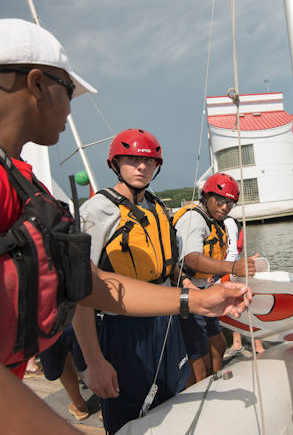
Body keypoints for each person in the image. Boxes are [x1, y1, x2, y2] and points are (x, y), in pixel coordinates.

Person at [0, 18, 250, 435]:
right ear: (37, 83)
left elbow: (90, 285)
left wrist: (198, 301)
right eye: (68, 91)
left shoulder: (23, 183)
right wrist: (94, 359)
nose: (71, 108)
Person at [72, 129, 190, 434]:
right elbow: (79, 290)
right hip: (123, 328)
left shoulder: (158, 207)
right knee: (128, 412)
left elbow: (170, 264)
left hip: (166, 321)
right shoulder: (96, 212)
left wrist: (188, 287)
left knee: (174, 395)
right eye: (133, 160)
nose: (141, 167)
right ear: (115, 163)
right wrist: (94, 361)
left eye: (149, 162)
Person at [173, 173, 258, 384]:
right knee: (198, 359)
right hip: (187, 294)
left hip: (206, 290)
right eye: (220, 200)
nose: (224, 207)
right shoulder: (194, 219)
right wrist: (232, 267)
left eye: (230, 203)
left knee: (219, 345)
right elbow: (190, 259)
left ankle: (214, 383)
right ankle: (197, 393)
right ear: (206, 196)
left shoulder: (216, 222)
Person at [224, 216, 264, 355]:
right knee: (237, 305)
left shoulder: (227, 222)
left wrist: (227, 269)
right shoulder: (229, 221)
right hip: (234, 266)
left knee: (243, 304)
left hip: (234, 268)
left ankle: (254, 345)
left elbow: (233, 250)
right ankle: (239, 342)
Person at [37, 325, 91, 421]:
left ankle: (79, 405)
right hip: (75, 319)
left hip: (48, 322)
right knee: (90, 357)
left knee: (62, 359)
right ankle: (106, 404)